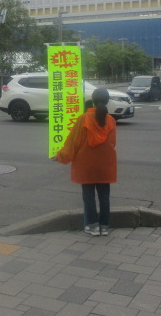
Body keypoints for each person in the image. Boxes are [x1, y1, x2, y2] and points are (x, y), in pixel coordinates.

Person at [52, 88, 117, 237]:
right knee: (104, 195)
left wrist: (60, 156)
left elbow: (73, 143)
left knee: (88, 196)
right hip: (105, 164)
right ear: (107, 101)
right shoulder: (111, 121)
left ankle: (92, 226)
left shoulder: (83, 119)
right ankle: (104, 226)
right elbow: (112, 143)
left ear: (93, 101)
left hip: (86, 163)